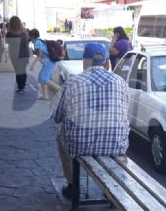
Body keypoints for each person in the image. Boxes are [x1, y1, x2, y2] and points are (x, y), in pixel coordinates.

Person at [51, 43, 130, 199]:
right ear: (107, 63)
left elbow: (57, 116)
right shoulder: (120, 82)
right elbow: (125, 111)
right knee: (118, 135)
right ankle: (111, 189)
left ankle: (73, 186)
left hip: (80, 146)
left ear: (84, 61)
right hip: (115, 146)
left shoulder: (72, 82)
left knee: (60, 138)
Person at [29, 28, 60, 100]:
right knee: (43, 77)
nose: (29, 38)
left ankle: (60, 90)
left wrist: (32, 65)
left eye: (29, 36)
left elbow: (39, 55)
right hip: (49, 62)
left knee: (42, 78)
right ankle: (45, 95)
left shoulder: (37, 42)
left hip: (49, 62)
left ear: (32, 36)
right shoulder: (40, 40)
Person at [5, 16, 30, 94]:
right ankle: (22, 86)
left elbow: (7, 42)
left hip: (15, 54)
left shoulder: (9, 33)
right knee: (22, 70)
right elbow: (26, 42)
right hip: (25, 54)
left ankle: (20, 87)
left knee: (18, 71)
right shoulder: (24, 31)